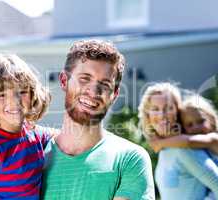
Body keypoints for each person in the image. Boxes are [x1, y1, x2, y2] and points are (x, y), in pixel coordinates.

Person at [42, 40, 155, 200]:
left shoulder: (129, 159)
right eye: (84, 78)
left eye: (105, 84)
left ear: (114, 95)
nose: (94, 91)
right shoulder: (34, 155)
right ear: (63, 81)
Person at [0, 53, 51, 200]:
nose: (14, 101)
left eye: (22, 91)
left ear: (33, 95)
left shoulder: (36, 135)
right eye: (2, 95)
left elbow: (64, 137)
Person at [138, 82, 218, 200]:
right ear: (147, 115)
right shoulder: (166, 149)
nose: (162, 115)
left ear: (177, 112)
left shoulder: (184, 150)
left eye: (168, 108)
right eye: (155, 109)